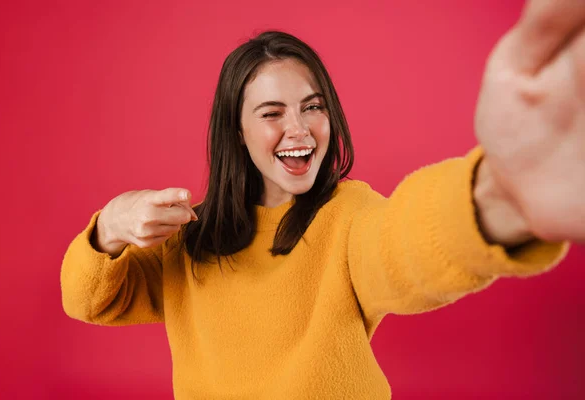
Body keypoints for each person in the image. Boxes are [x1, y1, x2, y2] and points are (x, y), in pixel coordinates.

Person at [61, 1, 583, 398]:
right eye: (271, 113)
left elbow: (404, 249)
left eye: (313, 107)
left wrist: (500, 195)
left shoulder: (347, 216)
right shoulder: (188, 240)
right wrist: (109, 226)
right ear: (236, 132)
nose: (300, 130)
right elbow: (89, 300)